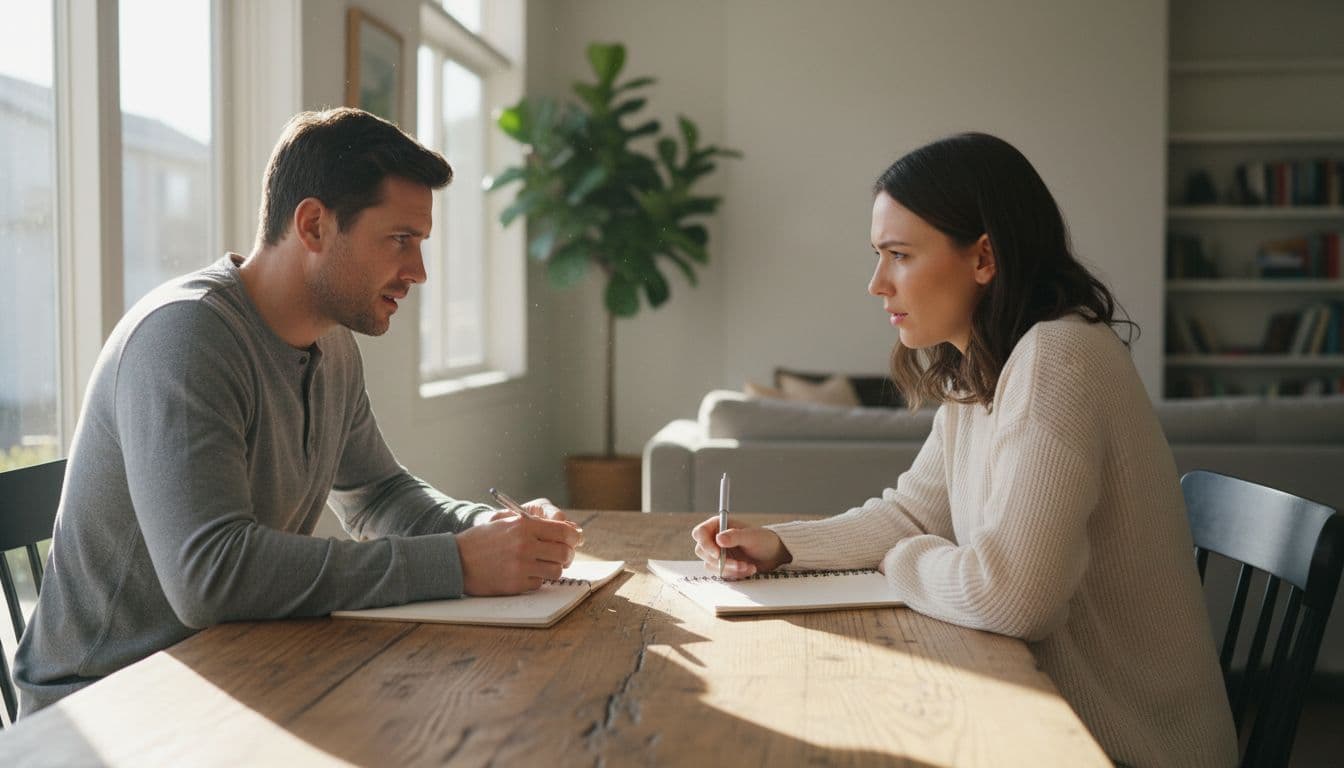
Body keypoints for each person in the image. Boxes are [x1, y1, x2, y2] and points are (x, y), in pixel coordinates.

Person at [691, 133, 1239, 766]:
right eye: (879, 255)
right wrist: (783, 546)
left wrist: (902, 561)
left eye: (899, 255)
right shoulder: (984, 367)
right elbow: (915, 514)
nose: (876, 283)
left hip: (1129, 749)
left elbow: (1012, 597)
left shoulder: (1058, 357)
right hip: (1053, 723)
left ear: (984, 257)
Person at [14, 108, 582, 716]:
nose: (417, 272)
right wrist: (456, 563)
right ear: (313, 224)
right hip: (105, 711)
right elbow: (211, 576)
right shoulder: (184, 338)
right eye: (400, 240)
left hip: (232, 672)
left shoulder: (332, 344)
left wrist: (488, 531)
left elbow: (379, 495)